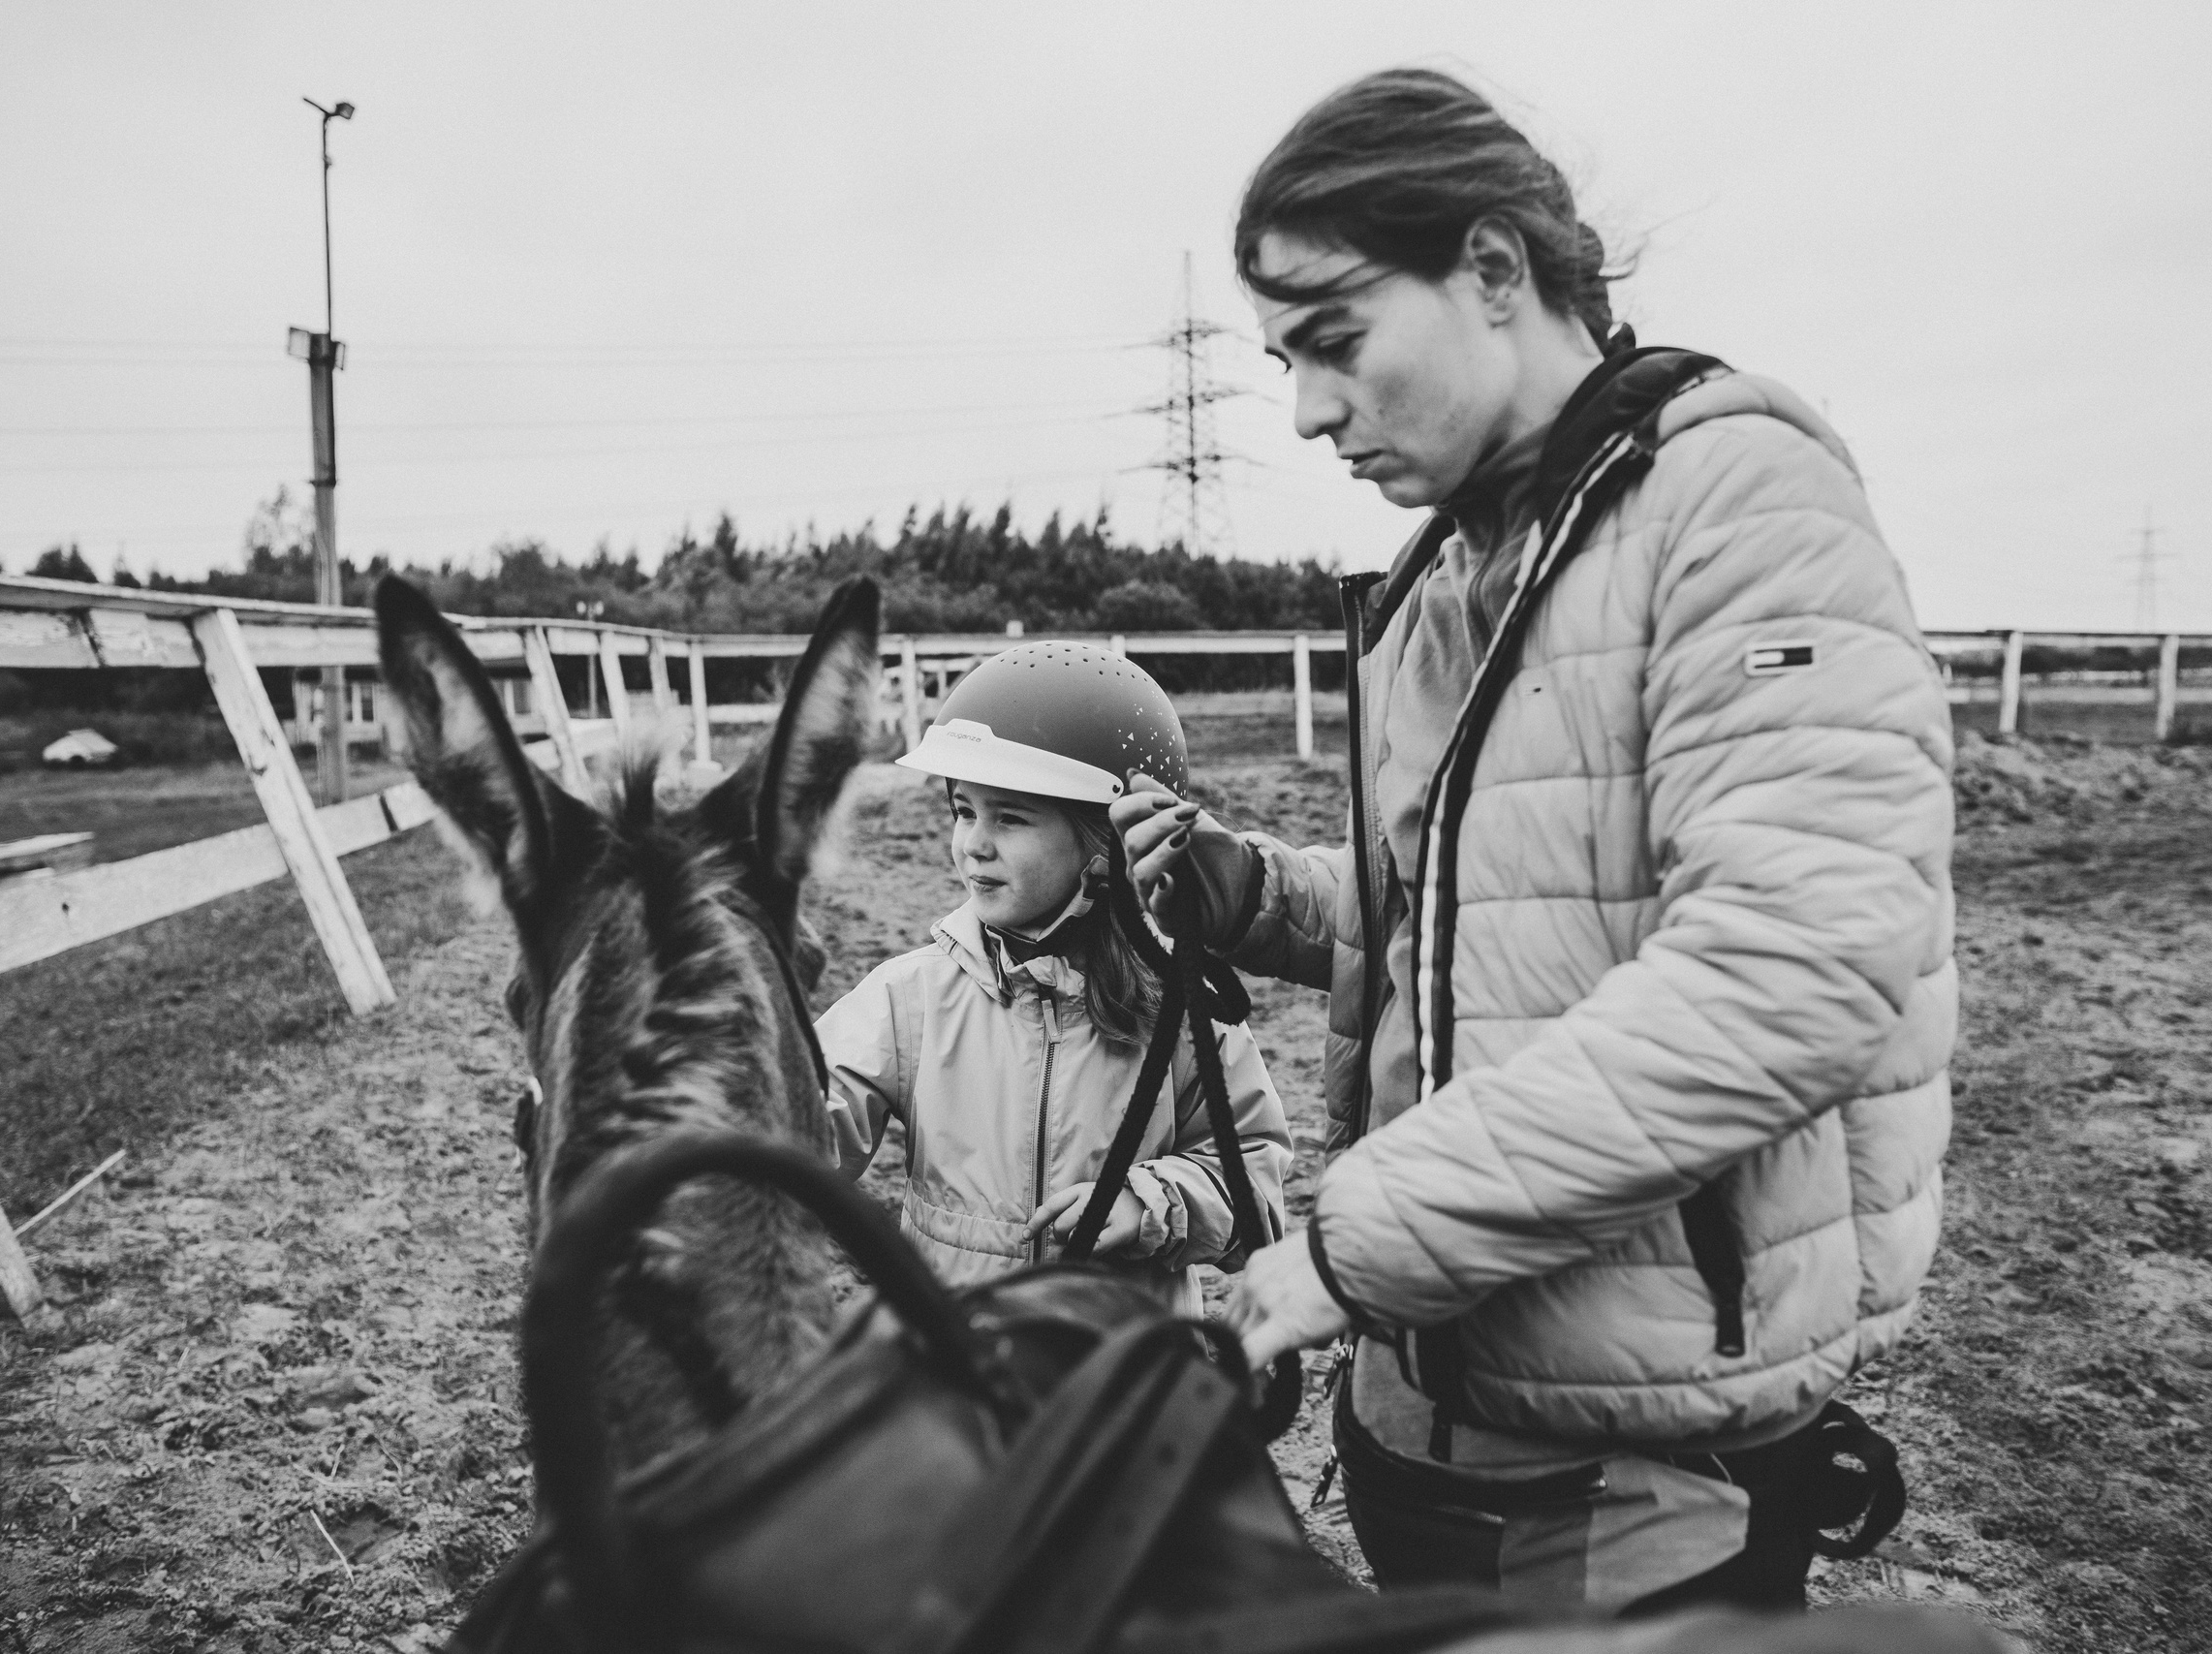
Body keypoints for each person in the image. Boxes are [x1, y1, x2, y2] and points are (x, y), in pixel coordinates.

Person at [1113, 69, 1955, 1616]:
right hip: (1429, 1419)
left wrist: (1360, 1244)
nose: (1306, 409)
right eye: (1284, 360)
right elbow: (1483, 926)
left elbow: (1799, 965)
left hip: (1633, 1467)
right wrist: (1250, 892)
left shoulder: (1742, 504)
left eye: (1336, 339)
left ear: (1494, 270)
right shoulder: (1454, 572)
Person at [818, 641, 1293, 1317]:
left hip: (1122, 1389)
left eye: (1009, 817)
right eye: (963, 810)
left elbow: (1258, 1195)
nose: (973, 843)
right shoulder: (911, 997)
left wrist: (1151, 1203)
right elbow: (800, 1126)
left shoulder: (1186, 1011)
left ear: (1109, 842)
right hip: (960, 1382)